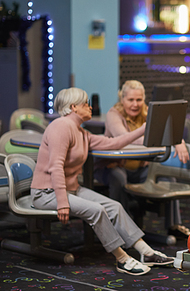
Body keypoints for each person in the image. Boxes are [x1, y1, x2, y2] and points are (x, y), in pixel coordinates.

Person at [31, 87, 174, 276]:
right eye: (86, 104)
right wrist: (62, 202)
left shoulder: (82, 133)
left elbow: (113, 143)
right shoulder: (60, 127)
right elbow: (55, 166)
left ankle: (146, 253)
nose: (91, 108)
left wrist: (141, 130)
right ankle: (122, 259)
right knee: (96, 210)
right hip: (47, 193)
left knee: (114, 207)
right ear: (73, 107)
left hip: (72, 189)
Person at [94, 80, 190, 239]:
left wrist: (178, 140)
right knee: (119, 178)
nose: (135, 104)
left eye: (139, 100)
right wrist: (163, 138)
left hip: (139, 167)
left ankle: (173, 226)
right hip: (113, 166)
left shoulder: (148, 112)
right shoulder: (113, 114)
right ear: (122, 99)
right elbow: (125, 139)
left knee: (166, 176)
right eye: (130, 100)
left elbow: (167, 128)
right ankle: (121, 229)